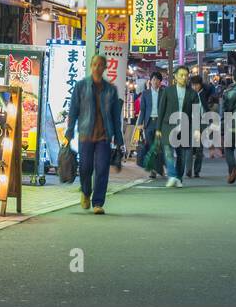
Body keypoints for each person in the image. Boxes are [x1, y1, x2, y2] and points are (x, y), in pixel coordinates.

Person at [67, 54, 124, 214]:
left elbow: (115, 117)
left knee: (102, 168)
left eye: (100, 65)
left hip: (104, 136)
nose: (97, 68)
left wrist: (119, 139)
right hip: (86, 133)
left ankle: (98, 202)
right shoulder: (81, 86)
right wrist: (69, 131)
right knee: (85, 168)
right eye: (94, 65)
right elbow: (73, 111)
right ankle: (85, 191)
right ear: (91, 66)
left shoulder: (111, 90)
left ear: (105, 68)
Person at [156, 65, 201, 188]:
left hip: (184, 127)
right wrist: (158, 128)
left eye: (186, 75)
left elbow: (196, 112)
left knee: (182, 155)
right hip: (167, 126)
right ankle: (172, 175)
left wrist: (197, 129)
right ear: (175, 77)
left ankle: (179, 178)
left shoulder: (192, 94)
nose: (184, 77)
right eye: (181, 75)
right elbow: (161, 109)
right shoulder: (168, 91)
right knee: (168, 152)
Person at [134, 71, 165, 178]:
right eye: (153, 79)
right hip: (148, 123)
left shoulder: (163, 93)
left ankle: (159, 167)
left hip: (159, 122)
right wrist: (139, 123)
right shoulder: (145, 93)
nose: (155, 81)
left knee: (158, 146)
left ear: (160, 82)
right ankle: (153, 169)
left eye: (157, 80)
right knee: (151, 146)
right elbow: (142, 110)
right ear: (150, 81)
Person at [185, 71, 207, 177]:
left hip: (202, 122)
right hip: (190, 122)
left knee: (199, 149)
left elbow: (208, 107)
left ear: (200, 84)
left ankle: (197, 170)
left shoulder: (204, 94)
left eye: (197, 84)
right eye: (193, 85)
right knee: (189, 147)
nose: (195, 87)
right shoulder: (188, 94)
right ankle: (188, 170)